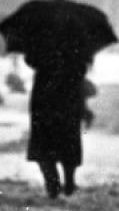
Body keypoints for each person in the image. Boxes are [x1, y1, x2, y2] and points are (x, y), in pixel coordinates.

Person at [26, 40, 96, 199]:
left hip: (45, 99)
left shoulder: (41, 38)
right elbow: (84, 67)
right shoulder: (77, 41)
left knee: (44, 144)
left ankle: (53, 183)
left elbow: (30, 60)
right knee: (68, 144)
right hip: (69, 100)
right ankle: (69, 182)